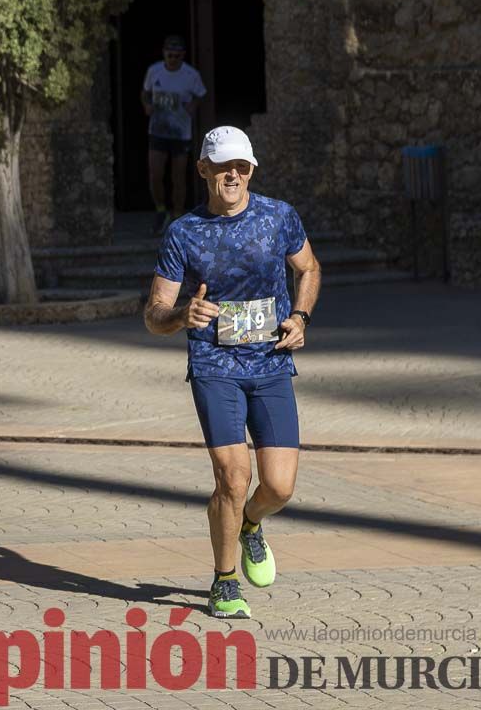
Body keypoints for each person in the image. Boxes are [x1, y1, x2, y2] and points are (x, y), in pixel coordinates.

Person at [143, 126, 321, 619]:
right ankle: (224, 581)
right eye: (224, 166)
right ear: (203, 170)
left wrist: (301, 317)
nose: (234, 175)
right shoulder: (183, 232)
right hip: (214, 365)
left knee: (280, 487)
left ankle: (249, 524)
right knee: (232, 475)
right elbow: (154, 312)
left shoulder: (279, 216)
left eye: (242, 166)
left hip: (270, 363)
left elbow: (308, 269)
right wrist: (182, 316)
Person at [142, 34, 207, 235]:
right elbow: (145, 92)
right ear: (164, 54)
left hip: (180, 133)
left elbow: (201, 94)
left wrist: (192, 107)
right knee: (156, 173)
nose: (173, 59)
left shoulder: (191, 75)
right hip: (158, 131)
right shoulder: (154, 71)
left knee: (178, 176)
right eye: (170, 55)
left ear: (182, 56)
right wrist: (147, 105)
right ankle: (161, 209)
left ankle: (178, 214)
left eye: (177, 56)